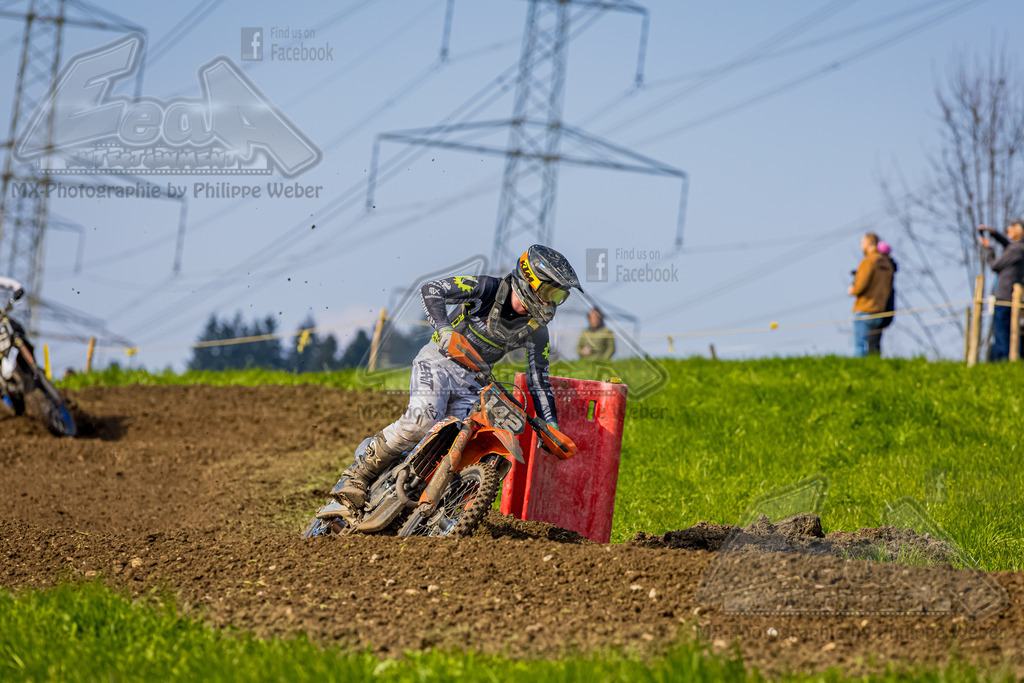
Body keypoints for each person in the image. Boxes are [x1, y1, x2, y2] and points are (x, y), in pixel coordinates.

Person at [333, 245, 583, 509]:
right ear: (528, 279)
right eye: (549, 291)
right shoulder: (487, 288)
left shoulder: (537, 331)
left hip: (475, 381)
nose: (551, 301)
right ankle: (356, 476)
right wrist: (444, 329)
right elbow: (431, 290)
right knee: (422, 419)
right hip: (439, 361)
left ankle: (430, 507)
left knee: (468, 443)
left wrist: (551, 427)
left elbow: (538, 380)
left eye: (558, 295)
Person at [978, 221, 1024, 361]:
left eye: (1012, 227)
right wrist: (994, 233)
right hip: (1013, 299)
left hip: (1004, 298)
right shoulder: (1019, 249)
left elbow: (994, 266)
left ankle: (1003, 362)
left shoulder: (1016, 250)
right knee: (1014, 332)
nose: (1008, 229)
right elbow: (1007, 244)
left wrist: (988, 249)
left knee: (1002, 333)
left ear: (1020, 231)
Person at [847, 232, 894, 357]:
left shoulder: (868, 261)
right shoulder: (888, 264)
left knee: (860, 346)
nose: (861, 245)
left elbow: (861, 285)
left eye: (862, 242)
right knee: (874, 345)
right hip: (880, 310)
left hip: (864, 308)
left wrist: (853, 289)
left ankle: (860, 373)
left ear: (868, 243)